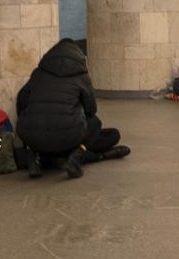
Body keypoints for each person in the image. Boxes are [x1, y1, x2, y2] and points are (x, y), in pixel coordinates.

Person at [16, 39, 128, 179]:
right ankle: (79, 156)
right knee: (98, 125)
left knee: (48, 141)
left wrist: (28, 117)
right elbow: (91, 110)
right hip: (67, 138)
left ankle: (36, 156)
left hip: (33, 137)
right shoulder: (81, 76)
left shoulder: (38, 73)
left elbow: (21, 99)